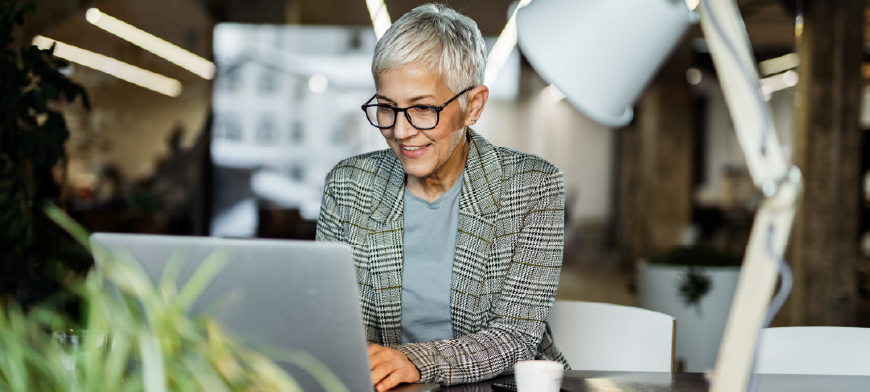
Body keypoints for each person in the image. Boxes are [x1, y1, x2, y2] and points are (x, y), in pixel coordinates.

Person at [316, 4, 567, 390]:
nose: (400, 131)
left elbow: (516, 337)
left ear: (473, 106)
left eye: (422, 108)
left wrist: (415, 361)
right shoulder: (348, 186)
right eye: (386, 108)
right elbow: (334, 324)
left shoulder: (532, 187)